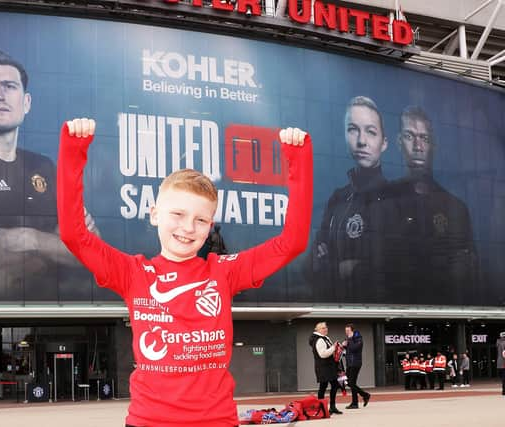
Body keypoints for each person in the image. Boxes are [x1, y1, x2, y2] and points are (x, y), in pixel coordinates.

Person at [57, 118, 313, 426]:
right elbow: (75, 235)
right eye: (177, 214)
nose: (188, 227)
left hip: (216, 421)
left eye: (201, 220)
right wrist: (74, 151)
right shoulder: (133, 272)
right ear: (154, 214)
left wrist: (298, 159)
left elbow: (292, 243)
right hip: (148, 421)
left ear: (210, 226)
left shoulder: (224, 271)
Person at [0, 49, 98, 300]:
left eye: (9, 86)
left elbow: (93, 254)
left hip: (57, 315)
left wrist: (31, 238)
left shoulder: (42, 166)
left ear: (26, 102)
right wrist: (60, 245)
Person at [388, 106, 476, 304]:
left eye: (424, 138)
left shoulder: (456, 208)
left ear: (432, 146)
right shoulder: (382, 202)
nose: (418, 145)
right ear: (399, 142)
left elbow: (468, 271)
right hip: (395, 306)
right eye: (410, 136)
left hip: (447, 308)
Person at [310, 96, 390, 302]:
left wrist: (342, 267)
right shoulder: (338, 198)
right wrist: (342, 267)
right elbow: (313, 263)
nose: (361, 140)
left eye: (371, 132)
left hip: (379, 309)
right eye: (353, 129)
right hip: (333, 306)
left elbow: (391, 267)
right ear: (345, 135)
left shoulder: (396, 198)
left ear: (384, 143)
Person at [309, 322, 342, 415]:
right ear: (318, 330)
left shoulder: (325, 338)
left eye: (326, 327)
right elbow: (323, 354)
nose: (325, 329)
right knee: (325, 387)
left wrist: (335, 348)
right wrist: (333, 347)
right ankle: (324, 407)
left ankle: (330, 407)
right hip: (324, 367)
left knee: (330, 386)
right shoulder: (319, 340)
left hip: (328, 367)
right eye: (323, 328)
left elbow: (330, 351)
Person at [341, 323, 370, 408]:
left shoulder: (358, 338)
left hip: (355, 363)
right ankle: (363, 396)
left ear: (352, 330)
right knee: (349, 382)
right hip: (349, 363)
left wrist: (349, 340)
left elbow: (354, 348)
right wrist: (344, 346)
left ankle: (357, 401)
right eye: (345, 331)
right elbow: (349, 350)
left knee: (351, 382)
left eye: (348, 330)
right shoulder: (349, 339)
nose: (346, 332)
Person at [497, 332, 505, 396]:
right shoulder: (503, 343)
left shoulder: (498, 343)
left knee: (503, 377)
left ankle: (504, 391)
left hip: (500, 363)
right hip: (504, 362)